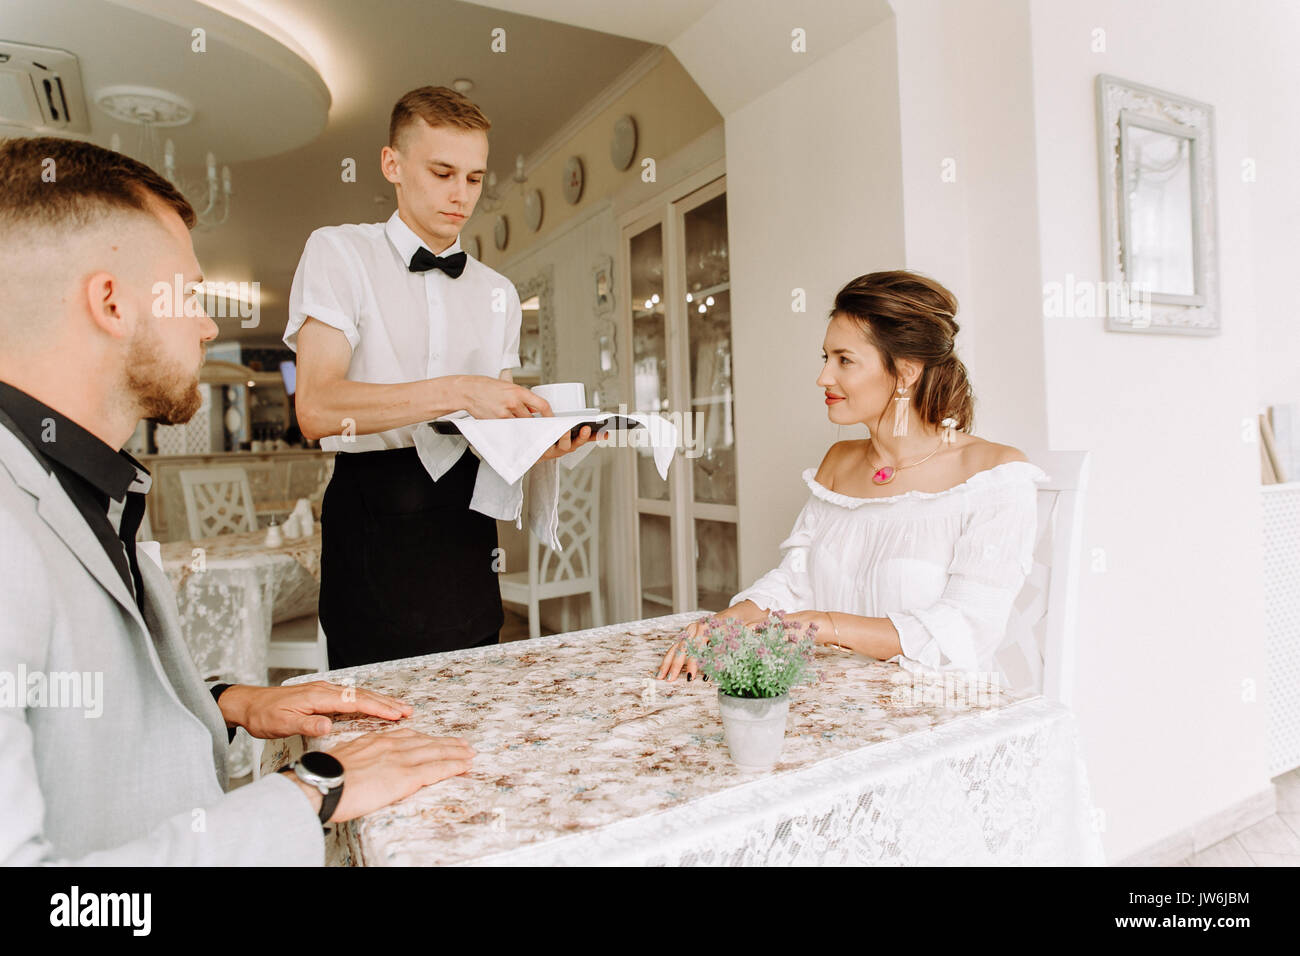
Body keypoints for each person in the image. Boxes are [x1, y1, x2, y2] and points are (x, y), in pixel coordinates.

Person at [0, 136, 475, 865]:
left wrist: (233, 705)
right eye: (188, 295)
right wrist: (312, 789)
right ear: (111, 302)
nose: (208, 324)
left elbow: (83, 738)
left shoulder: (85, 485)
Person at [286, 86, 594, 669]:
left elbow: (494, 436)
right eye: (443, 172)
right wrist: (459, 390)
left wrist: (540, 445)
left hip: (467, 516)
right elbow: (317, 407)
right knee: (378, 717)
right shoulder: (338, 253)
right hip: (372, 506)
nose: (461, 196)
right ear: (392, 165)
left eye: (475, 178)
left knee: (474, 700)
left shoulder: (499, 292)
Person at [658, 270, 1046, 681]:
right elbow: (794, 582)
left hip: (940, 712)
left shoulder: (993, 476)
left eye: (845, 360)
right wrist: (724, 624)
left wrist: (823, 625)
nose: (824, 378)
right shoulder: (838, 463)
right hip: (838, 699)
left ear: (907, 370)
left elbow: (966, 630)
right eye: (826, 358)